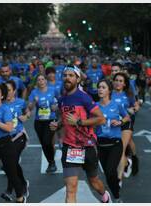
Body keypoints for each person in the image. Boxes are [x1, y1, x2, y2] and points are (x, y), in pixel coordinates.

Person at [49, 65, 112, 203]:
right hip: (70, 147)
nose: (67, 78)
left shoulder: (84, 97)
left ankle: (105, 196)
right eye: (65, 75)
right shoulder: (62, 99)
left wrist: (79, 122)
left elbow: (101, 119)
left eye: (71, 76)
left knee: (94, 181)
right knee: (71, 189)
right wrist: (58, 124)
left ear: (77, 79)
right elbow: (64, 118)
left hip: (88, 145)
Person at [0, 83, 26, 203]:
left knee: (12, 175)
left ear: (2, 96)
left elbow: (9, 128)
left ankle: (20, 196)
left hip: (6, 146)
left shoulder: (5, 109)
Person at [96, 79, 130, 203]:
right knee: (108, 175)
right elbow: (89, 123)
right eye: (99, 87)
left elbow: (127, 116)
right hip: (101, 144)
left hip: (115, 144)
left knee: (111, 171)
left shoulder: (116, 105)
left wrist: (120, 122)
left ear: (109, 91)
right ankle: (115, 194)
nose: (100, 89)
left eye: (103, 87)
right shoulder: (95, 107)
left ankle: (116, 197)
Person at [1, 80, 30, 201]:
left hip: (19, 136)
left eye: (9, 90)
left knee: (11, 163)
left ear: (14, 91)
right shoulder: (0, 104)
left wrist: (26, 116)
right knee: (11, 164)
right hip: (5, 138)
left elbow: (27, 111)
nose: (7, 92)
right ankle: (23, 183)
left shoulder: (20, 102)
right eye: (5, 90)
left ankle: (9, 190)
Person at [27, 74, 58, 173]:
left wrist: (56, 106)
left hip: (51, 120)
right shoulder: (34, 92)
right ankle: (51, 162)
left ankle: (52, 161)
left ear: (46, 80)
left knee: (47, 141)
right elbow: (30, 108)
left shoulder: (52, 90)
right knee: (44, 144)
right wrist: (34, 102)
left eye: (42, 79)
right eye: (39, 80)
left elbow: (60, 102)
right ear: (37, 82)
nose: (41, 81)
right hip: (39, 122)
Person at [112, 72, 140, 180]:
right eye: (116, 81)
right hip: (112, 126)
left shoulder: (128, 95)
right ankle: (128, 163)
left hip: (126, 124)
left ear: (124, 84)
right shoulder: (109, 94)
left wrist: (133, 109)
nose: (118, 83)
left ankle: (119, 180)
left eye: (120, 81)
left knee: (121, 150)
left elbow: (136, 105)